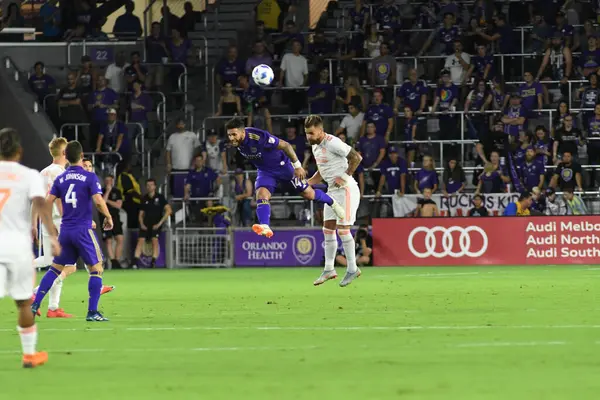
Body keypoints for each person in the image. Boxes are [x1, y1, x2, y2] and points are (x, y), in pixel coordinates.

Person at [32, 140, 114, 322]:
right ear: (81, 155)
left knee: (54, 269)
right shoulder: (89, 177)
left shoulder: (61, 178)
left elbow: (47, 202)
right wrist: (108, 217)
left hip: (65, 230)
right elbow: (99, 202)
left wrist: (47, 223)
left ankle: (35, 303)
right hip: (83, 229)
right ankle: (92, 312)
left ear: (66, 157)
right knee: (96, 269)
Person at [226, 117, 345, 239]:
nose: (231, 138)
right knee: (261, 194)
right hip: (265, 171)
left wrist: (298, 166)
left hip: (283, 167)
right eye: (229, 135)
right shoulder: (236, 142)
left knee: (308, 194)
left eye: (234, 134)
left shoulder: (258, 136)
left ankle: (333, 202)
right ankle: (265, 226)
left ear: (243, 132)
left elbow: (286, 145)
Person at [0, 127, 60, 368]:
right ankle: (29, 355)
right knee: (24, 302)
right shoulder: (29, 175)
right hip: (17, 246)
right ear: (19, 151)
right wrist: (52, 236)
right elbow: (40, 204)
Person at [305, 115, 363, 287]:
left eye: (311, 133)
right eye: (307, 133)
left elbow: (357, 158)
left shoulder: (333, 142)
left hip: (345, 189)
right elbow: (323, 172)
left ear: (321, 131)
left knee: (343, 230)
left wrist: (344, 176)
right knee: (327, 229)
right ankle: (329, 269)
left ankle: (352, 268)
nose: (309, 137)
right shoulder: (316, 147)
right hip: (331, 191)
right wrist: (307, 183)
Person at [133, 179, 172, 269]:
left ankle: (153, 262)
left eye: (151, 185)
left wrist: (160, 223)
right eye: (147, 185)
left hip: (156, 224)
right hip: (145, 223)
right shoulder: (144, 198)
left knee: (154, 241)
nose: (149, 187)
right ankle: (135, 262)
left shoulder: (160, 197)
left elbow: (168, 210)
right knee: (140, 241)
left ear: (155, 186)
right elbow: (140, 214)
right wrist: (142, 224)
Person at [102, 175, 124, 269]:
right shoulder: (101, 191)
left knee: (119, 238)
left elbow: (118, 205)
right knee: (108, 240)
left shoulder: (117, 191)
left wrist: (108, 201)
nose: (108, 182)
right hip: (105, 218)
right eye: (106, 180)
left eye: (110, 180)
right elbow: (102, 203)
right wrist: (108, 191)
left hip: (115, 217)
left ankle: (117, 260)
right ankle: (113, 261)